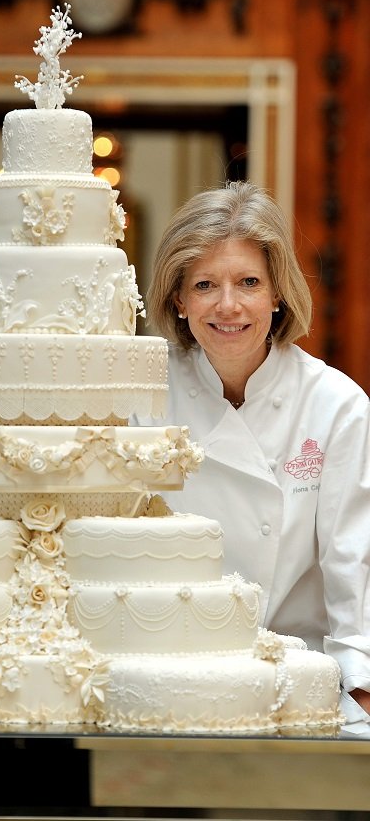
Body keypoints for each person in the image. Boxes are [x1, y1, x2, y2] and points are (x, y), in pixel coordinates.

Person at [141, 181, 370, 722]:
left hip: (299, 680)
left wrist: (359, 681)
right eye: (204, 285)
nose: (229, 306)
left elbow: (352, 560)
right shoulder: (143, 395)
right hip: (171, 674)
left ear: (278, 293)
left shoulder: (335, 405)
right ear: (178, 298)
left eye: (249, 282)